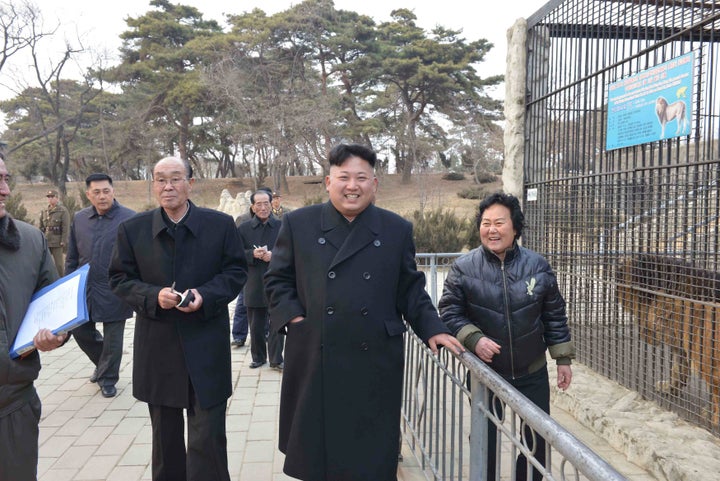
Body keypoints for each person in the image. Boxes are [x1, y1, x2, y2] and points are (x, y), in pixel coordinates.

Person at [265, 143, 464, 481]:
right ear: (329, 182)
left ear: (375, 184)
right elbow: (277, 281)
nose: (352, 186)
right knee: (319, 458)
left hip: (373, 359)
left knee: (369, 458)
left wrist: (433, 327)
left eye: (361, 177)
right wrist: (298, 320)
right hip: (317, 352)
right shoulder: (299, 224)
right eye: (344, 177)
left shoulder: (395, 229)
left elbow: (410, 289)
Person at [109, 156, 247, 481]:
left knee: (208, 440)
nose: (167, 186)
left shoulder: (220, 225)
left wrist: (206, 295)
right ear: (153, 184)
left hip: (206, 346)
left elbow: (236, 271)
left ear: (190, 183)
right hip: (158, 349)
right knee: (165, 442)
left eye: (175, 178)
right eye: (160, 179)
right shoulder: (133, 230)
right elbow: (119, 278)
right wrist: (152, 296)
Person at [438, 192, 575, 481]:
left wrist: (562, 358)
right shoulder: (464, 268)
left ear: (515, 227)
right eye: (486, 223)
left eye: (499, 222)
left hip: (532, 371)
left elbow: (553, 314)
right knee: (485, 438)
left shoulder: (537, 266)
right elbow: (449, 312)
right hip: (487, 373)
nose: (492, 229)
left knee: (535, 442)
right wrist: (474, 339)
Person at [0, 154, 68, 480]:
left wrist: (57, 334)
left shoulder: (30, 241)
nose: (4, 190)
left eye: (5, 179)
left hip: (14, 404)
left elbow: (55, 307)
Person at [65, 173, 136, 398]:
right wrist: (68, 287)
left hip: (117, 287)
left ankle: (108, 379)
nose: (102, 196)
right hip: (85, 287)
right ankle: (103, 363)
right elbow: (72, 257)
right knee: (80, 331)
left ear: (113, 191)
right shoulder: (80, 218)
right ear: (88, 194)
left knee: (113, 338)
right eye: (96, 192)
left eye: (106, 191)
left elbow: (138, 257)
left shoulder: (129, 218)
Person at [239, 189, 284, 370]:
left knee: (278, 322)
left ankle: (276, 359)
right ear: (253, 206)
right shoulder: (243, 228)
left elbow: (292, 251)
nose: (263, 207)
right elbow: (235, 253)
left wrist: (275, 255)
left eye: (266, 203)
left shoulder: (282, 226)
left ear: (272, 203)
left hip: (278, 279)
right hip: (254, 281)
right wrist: (252, 254)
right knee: (256, 324)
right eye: (259, 204)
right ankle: (258, 357)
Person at [39, 189, 70, 276]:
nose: (50, 199)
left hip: (57, 242)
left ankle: (61, 280)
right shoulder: (45, 211)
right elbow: (41, 227)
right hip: (46, 241)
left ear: (57, 198)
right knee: (44, 264)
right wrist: (40, 240)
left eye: (52, 197)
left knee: (59, 265)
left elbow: (65, 227)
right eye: (48, 197)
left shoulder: (62, 211)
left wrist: (63, 241)